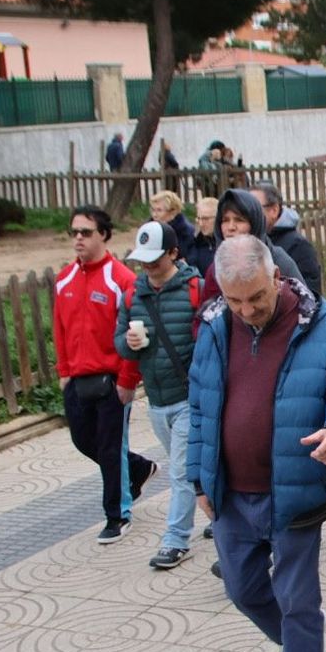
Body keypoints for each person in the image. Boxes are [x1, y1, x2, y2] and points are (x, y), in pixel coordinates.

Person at [187, 236, 326, 652]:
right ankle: (303, 638)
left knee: (295, 597)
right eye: (236, 300)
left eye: (256, 299)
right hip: (232, 492)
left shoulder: (323, 329)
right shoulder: (216, 329)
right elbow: (201, 405)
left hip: (293, 490)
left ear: (276, 279)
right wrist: (200, 477)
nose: (247, 311)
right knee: (243, 591)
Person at [53, 206, 155, 545]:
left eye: (86, 232)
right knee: (85, 441)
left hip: (111, 381)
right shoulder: (64, 278)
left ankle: (117, 514)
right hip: (77, 381)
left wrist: (127, 381)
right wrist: (64, 371)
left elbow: (134, 335)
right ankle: (138, 468)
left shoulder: (121, 279)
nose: (78, 238)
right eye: (74, 233)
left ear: (104, 235)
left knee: (111, 448)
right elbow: (60, 328)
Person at [115, 221, 203, 569]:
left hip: (189, 398)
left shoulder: (195, 289)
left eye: (155, 258)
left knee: (180, 471)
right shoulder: (133, 295)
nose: (148, 266)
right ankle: (218, 510)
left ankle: (175, 539)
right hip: (155, 399)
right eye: (143, 259)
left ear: (173, 253)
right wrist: (129, 345)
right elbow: (119, 340)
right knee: (189, 467)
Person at [195, 189, 304, 330]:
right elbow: (203, 320)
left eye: (239, 220)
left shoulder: (277, 260)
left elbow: (304, 308)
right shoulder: (217, 268)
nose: (231, 227)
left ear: (255, 222)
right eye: (225, 220)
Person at [253, 183, 323, 297]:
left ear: (274, 210)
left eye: (255, 208)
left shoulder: (299, 246)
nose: (248, 214)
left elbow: (310, 296)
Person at [147, 191, 196, 263]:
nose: (154, 215)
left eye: (159, 210)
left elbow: (190, 258)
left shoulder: (186, 233)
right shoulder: (148, 229)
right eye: (153, 210)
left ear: (173, 212)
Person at [189, 196, 219, 276]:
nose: (201, 224)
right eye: (199, 218)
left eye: (206, 219)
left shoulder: (226, 244)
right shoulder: (194, 243)